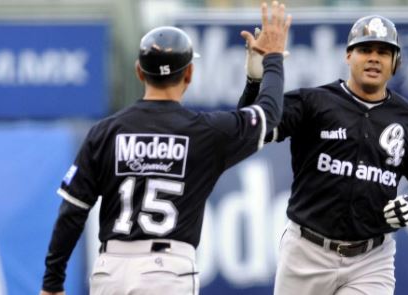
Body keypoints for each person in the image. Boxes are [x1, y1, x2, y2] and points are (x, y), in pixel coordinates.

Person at [39, 2, 291, 294]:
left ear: (139, 72)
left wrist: (52, 281)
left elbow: (73, 210)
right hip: (167, 269)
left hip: (112, 268)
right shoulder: (204, 131)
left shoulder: (105, 132)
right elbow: (267, 116)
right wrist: (269, 61)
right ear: (189, 74)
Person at [238, 15, 408, 295]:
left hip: (372, 258)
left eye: (383, 52)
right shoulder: (314, 102)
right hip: (306, 252)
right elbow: (250, 130)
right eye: (365, 50)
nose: (374, 58)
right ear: (349, 55)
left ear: (395, 62)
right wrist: (254, 82)